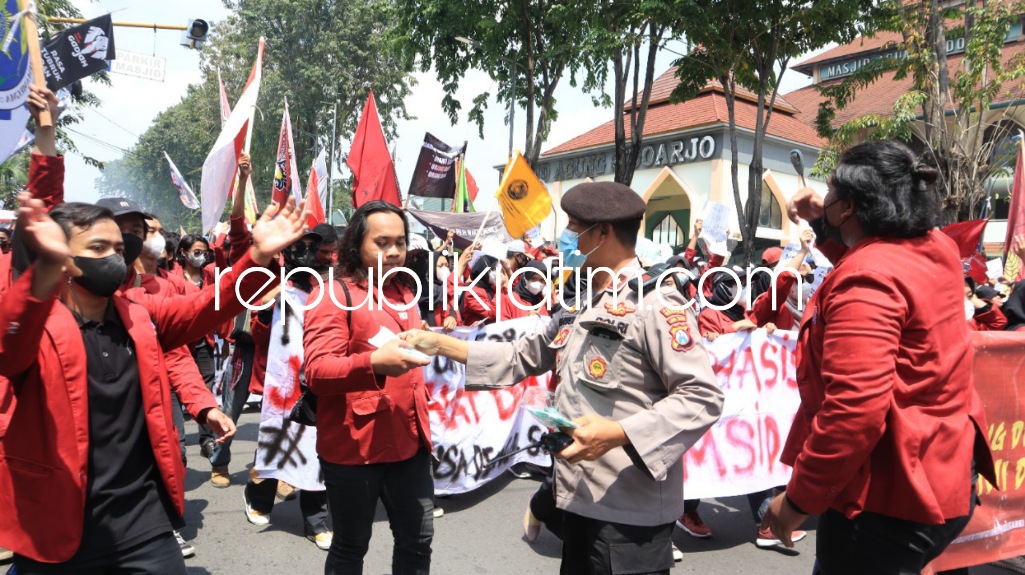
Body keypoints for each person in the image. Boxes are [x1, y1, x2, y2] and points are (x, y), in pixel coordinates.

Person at [401, 182, 724, 575]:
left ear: (602, 233)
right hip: (578, 497)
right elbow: (522, 354)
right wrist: (439, 344)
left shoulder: (655, 303)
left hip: (628, 512)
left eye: (573, 228)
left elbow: (702, 396)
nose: (565, 238)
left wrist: (618, 432)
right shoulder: (582, 300)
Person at [0, 193, 306, 574]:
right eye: (98, 247)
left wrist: (256, 257)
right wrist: (41, 273)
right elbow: (9, 348)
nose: (115, 255)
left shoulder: (140, 313)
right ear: (61, 256)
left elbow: (207, 306)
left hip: (145, 523)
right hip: (57, 524)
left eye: (120, 245)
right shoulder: (34, 324)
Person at [760, 140, 996, 574]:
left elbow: (854, 411)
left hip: (888, 499)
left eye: (831, 192)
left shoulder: (866, 279)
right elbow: (871, 252)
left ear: (849, 208)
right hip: (947, 474)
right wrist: (827, 213)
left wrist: (797, 502)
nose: (823, 196)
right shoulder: (938, 248)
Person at [303, 200, 434, 575]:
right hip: (353, 449)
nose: (394, 251)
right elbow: (317, 371)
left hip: (410, 443)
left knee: (418, 541)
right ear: (356, 245)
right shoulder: (333, 294)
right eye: (382, 242)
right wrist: (374, 363)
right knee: (350, 546)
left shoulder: (406, 293)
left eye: (401, 242)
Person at [243, 229, 332, 550]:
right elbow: (254, 332)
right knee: (276, 439)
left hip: (318, 379)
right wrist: (267, 305)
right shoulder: (274, 285)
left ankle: (315, 520)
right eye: (298, 247)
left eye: (312, 248)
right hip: (281, 382)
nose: (305, 253)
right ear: (285, 252)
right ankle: (259, 498)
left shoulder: (329, 288)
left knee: (315, 445)